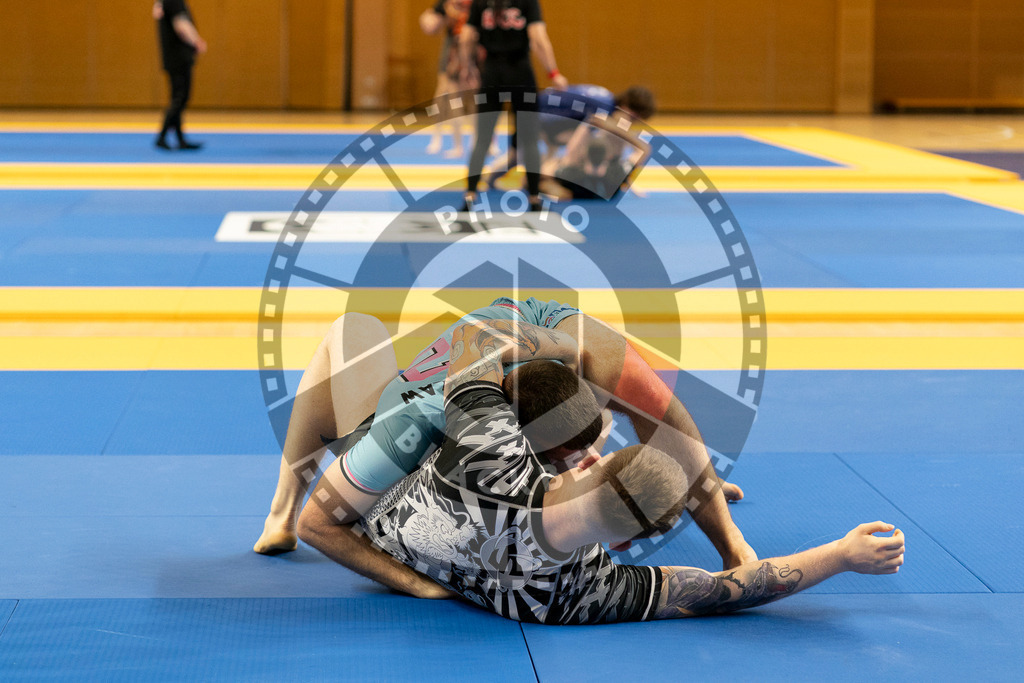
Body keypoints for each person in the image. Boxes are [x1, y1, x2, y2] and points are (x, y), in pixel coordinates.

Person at [350, 319, 907, 624]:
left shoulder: (488, 452)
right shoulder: (580, 597)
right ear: (628, 539)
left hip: (375, 520)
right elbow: (731, 590)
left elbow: (477, 338)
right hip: (396, 543)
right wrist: (841, 556)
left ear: (584, 469)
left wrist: (562, 347)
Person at [255, 297, 755, 586]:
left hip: (514, 346)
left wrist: (689, 481)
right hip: (399, 415)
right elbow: (322, 524)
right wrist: (413, 584)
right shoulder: (423, 432)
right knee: (352, 330)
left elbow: (616, 391)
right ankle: (280, 510)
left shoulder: (560, 372)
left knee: (635, 397)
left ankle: (708, 497)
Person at [458, 0, 568, 212]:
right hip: (521, 73)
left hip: (491, 73)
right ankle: (535, 198)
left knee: (482, 138)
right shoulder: (528, 2)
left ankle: (470, 195)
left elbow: (466, 38)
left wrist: (468, 67)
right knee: (529, 140)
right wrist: (553, 72)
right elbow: (538, 38)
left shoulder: (481, 2)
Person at [483, 85, 656, 191]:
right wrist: (638, 144)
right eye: (633, 118)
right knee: (517, 157)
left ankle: (500, 178)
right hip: (536, 115)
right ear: (627, 107)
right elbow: (604, 126)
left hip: (544, 116)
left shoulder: (606, 100)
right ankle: (496, 177)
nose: (630, 123)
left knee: (527, 155)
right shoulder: (604, 106)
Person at [420, 0, 474, 158]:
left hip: (474, 48)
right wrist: (430, 20)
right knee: (446, 97)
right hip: (453, 51)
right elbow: (430, 19)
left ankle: (486, 140)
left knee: (477, 98)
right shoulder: (447, 3)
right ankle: (439, 136)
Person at [153, 0, 207, 151]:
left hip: (173, 56)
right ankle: (162, 136)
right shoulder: (174, 1)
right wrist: (196, 41)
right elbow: (181, 25)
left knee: (178, 97)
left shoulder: (164, 2)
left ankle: (179, 138)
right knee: (180, 97)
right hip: (179, 56)